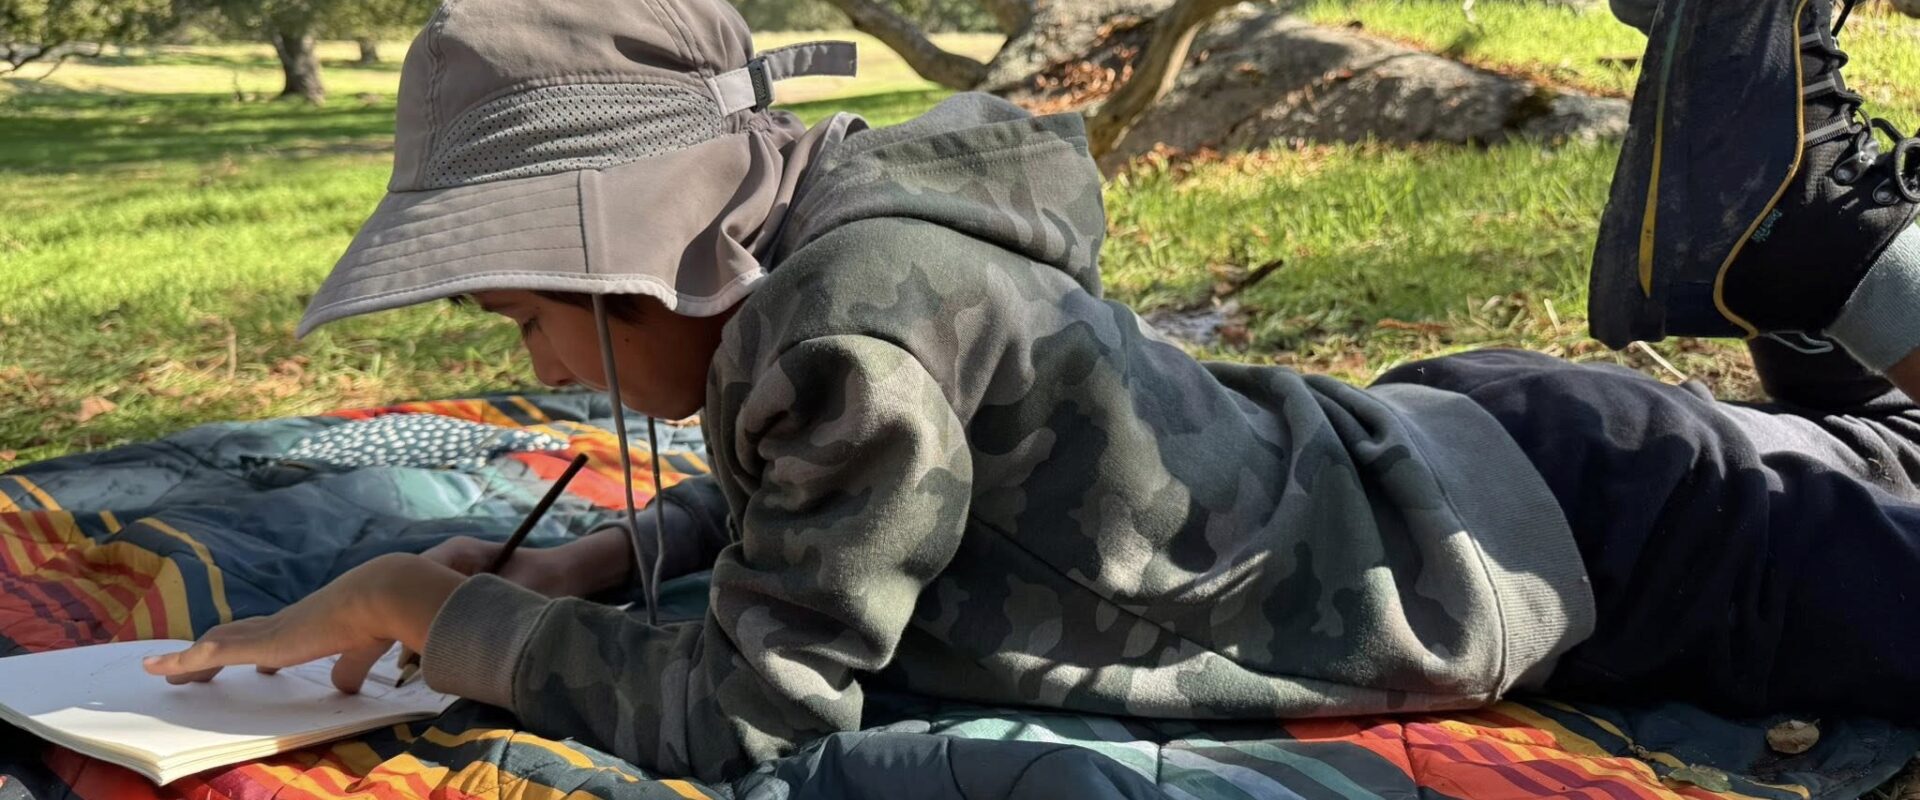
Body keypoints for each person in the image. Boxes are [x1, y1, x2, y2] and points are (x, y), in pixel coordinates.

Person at [144, 0, 1920, 784]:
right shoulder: (843, 256)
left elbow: (745, 716)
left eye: (533, 310)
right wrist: (604, 561)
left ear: (642, 255)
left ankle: (1807, 236)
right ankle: (1812, 256)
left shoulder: (850, 333)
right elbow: (856, 503)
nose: (530, 366)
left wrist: (421, 609)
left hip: (1595, 534)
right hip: (1505, 467)